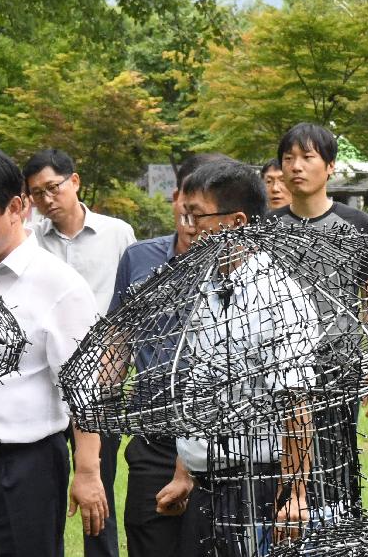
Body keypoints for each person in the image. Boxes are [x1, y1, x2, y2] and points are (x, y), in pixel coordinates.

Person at [0, 147, 108, 557]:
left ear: (15, 208)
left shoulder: (59, 285)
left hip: (21, 471)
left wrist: (87, 471)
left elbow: (85, 391)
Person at [155, 159, 319, 557]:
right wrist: (185, 471)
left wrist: (295, 494)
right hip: (206, 480)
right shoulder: (205, 288)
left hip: (256, 484)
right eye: (184, 214)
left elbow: (296, 400)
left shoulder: (281, 295)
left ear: (238, 222)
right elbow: (200, 387)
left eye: (197, 216)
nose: (187, 227)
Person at [109, 153, 231, 557]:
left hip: (221, 445)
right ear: (177, 196)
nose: (190, 214)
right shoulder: (139, 259)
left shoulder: (237, 273)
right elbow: (118, 341)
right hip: (153, 440)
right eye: (186, 199)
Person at [22, 148, 135, 557]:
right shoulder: (30, 243)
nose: (47, 199)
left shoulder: (118, 234)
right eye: (37, 194)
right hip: (46, 386)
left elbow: (132, 303)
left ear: (75, 181)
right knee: (47, 489)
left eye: (53, 187)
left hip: (101, 384)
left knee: (97, 486)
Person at [269, 123, 368, 418]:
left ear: (330, 166)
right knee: (278, 460)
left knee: (336, 461)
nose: (296, 166)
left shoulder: (360, 225)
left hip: (338, 365)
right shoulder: (265, 228)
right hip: (274, 364)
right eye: (288, 158)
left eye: (307, 158)